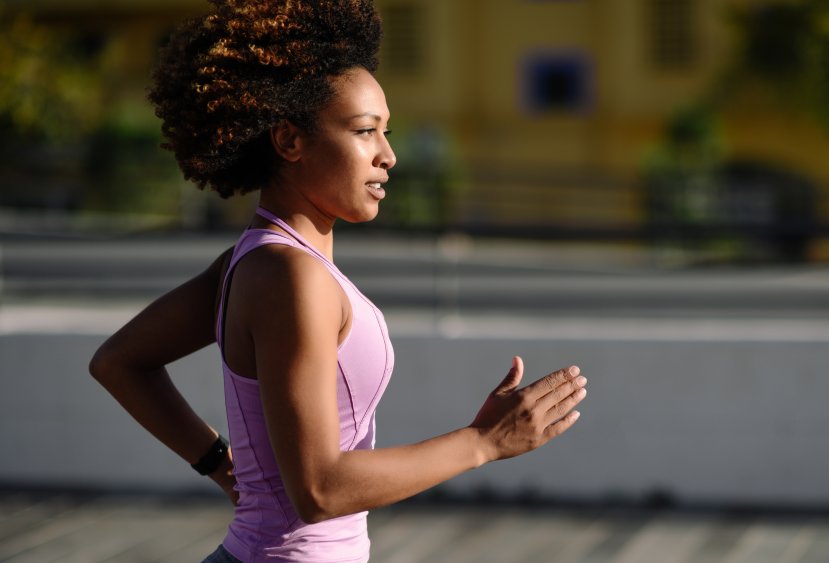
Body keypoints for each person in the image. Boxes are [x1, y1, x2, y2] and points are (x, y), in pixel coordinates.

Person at [87, 1, 588, 562]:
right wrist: (482, 443)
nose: (388, 156)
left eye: (386, 132)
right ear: (289, 141)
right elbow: (320, 489)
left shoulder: (256, 260)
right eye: (365, 131)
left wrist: (225, 469)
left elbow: (118, 361)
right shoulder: (288, 275)